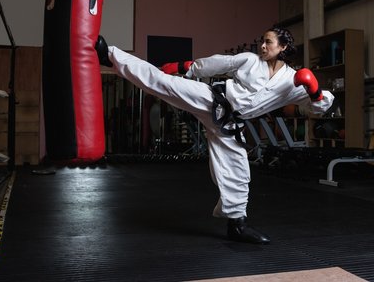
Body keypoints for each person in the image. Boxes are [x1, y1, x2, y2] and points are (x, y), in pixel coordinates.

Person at [95, 27, 334, 244]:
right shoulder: (250, 60)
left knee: (239, 172)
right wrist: (184, 67)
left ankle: (237, 226)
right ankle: (111, 55)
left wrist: (313, 91)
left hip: (230, 125)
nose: (262, 46)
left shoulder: (292, 82)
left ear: (282, 47)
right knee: (162, 83)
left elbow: (320, 107)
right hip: (211, 100)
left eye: (268, 42)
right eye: (262, 41)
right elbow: (219, 63)